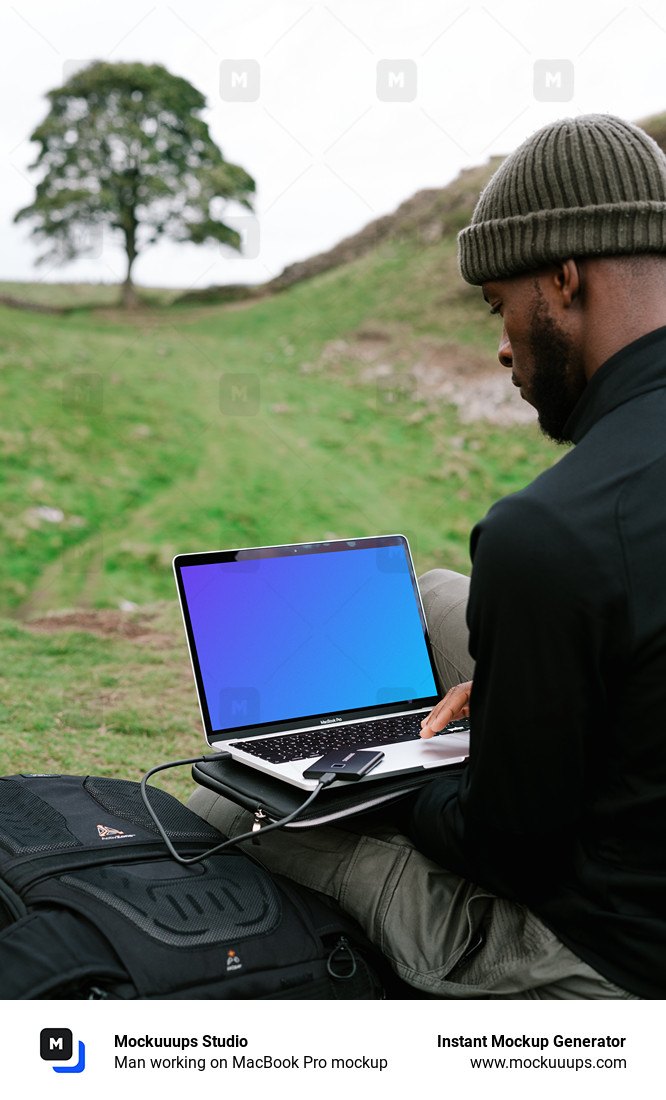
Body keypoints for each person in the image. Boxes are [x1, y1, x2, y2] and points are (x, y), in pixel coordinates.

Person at [188, 114, 666, 998]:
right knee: (438, 594)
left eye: (502, 305)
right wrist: (540, 695)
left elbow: (508, 848)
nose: (501, 344)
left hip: (604, 959)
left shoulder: (548, 532)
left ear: (563, 279)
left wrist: (401, 767)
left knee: (232, 801)